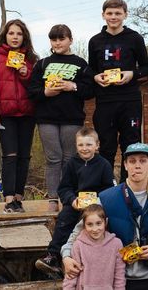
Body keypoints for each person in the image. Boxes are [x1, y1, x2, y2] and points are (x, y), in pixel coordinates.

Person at [62, 143, 148, 290]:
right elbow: (79, 232)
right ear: (125, 165)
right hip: (119, 279)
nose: (137, 166)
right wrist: (66, 256)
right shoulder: (106, 198)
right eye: (132, 161)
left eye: (143, 161)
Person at [28, 24, 95, 212]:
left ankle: (68, 197)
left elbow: (90, 90)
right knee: (53, 158)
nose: (58, 42)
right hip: (46, 118)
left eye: (61, 39)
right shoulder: (42, 63)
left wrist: (72, 86)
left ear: (70, 40)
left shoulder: (80, 63)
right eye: (54, 39)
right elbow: (32, 91)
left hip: (71, 118)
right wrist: (45, 92)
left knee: (69, 158)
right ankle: (52, 198)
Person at [88, 0, 148, 183]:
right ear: (103, 15)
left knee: (131, 146)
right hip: (105, 101)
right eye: (109, 13)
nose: (113, 17)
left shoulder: (135, 38)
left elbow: (147, 68)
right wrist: (95, 77)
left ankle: (129, 188)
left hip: (129, 100)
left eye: (117, 13)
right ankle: (107, 190)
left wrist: (132, 74)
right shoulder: (95, 41)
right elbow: (91, 69)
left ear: (125, 14)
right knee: (106, 147)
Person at [35, 127, 114, 273]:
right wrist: (72, 200)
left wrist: (97, 200)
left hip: (97, 204)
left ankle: (102, 257)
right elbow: (64, 188)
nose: (85, 149)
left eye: (89, 144)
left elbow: (109, 188)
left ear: (97, 146)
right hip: (76, 203)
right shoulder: (71, 164)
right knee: (64, 219)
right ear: (76, 146)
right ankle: (53, 255)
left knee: (102, 222)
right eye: (81, 145)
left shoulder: (104, 165)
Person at [0, 19, 38, 214]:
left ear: (24, 37)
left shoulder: (31, 58)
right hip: (4, 114)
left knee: (24, 156)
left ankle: (19, 199)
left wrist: (26, 73)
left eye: (19, 34)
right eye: (11, 33)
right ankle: (9, 199)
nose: (15, 37)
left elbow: (37, 87)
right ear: (5, 35)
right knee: (10, 156)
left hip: (27, 113)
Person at [62, 204, 126, 290]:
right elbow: (71, 276)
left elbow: (119, 275)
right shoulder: (78, 245)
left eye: (98, 223)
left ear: (105, 222)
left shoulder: (116, 244)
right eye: (90, 224)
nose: (95, 229)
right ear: (84, 225)